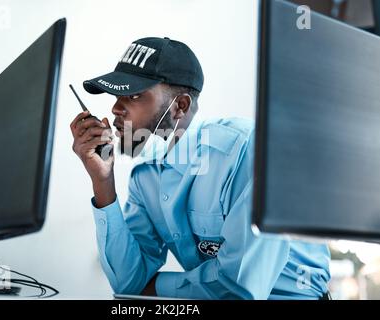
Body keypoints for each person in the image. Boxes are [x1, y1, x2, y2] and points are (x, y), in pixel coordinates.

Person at [70, 37, 331, 299]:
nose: (116, 108)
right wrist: (103, 182)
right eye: (116, 95)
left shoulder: (249, 151)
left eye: (134, 95)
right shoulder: (145, 176)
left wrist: (156, 288)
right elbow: (128, 282)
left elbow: (240, 291)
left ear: (180, 106)